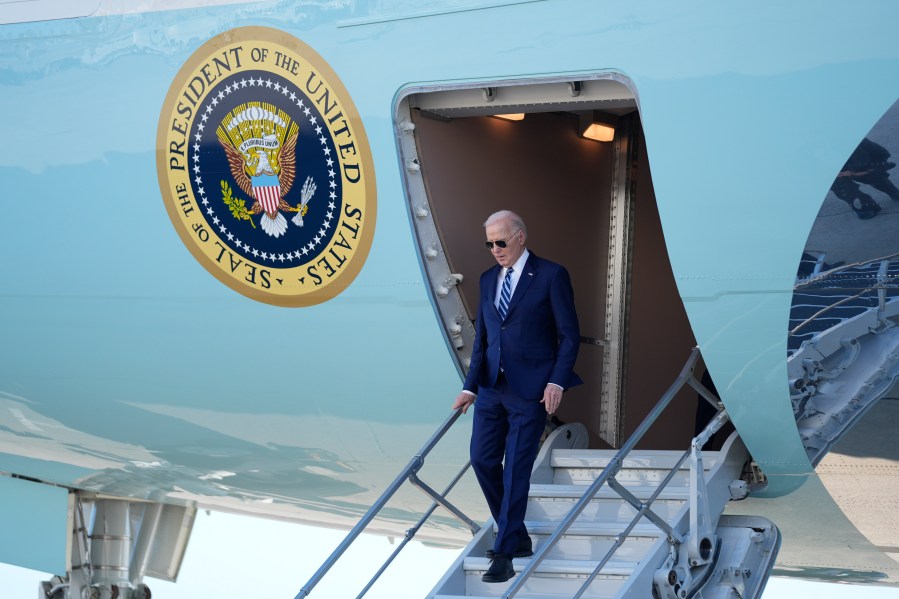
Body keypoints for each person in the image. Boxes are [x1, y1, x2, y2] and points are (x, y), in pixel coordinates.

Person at [451, 210, 582, 583]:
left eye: (501, 242)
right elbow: (485, 340)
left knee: (517, 470)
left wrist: (556, 382)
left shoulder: (551, 275)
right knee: (481, 460)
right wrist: (469, 386)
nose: (495, 249)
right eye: (489, 243)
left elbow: (569, 336)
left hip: (532, 391)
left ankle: (506, 552)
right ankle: (518, 534)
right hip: (492, 388)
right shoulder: (488, 278)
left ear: (520, 237)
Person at [831, 137, 899, 219]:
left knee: (869, 174)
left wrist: (849, 172)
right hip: (850, 160)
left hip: (871, 158)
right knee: (834, 180)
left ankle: (891, 192)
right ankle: (865, 202)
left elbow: (861, 160)